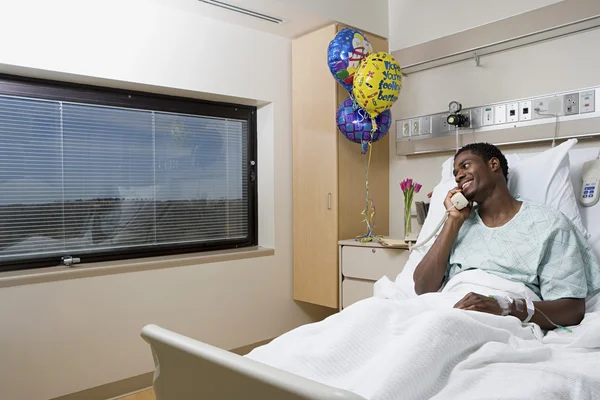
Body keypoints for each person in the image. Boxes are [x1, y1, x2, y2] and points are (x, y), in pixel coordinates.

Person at [413, 142, 600, 329]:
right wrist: (453, 220)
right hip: (447, 307)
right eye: (455, 174)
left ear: (493, 165)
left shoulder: (549, 224)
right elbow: (422, 288)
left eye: (465, 166)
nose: (459, 176)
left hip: (501, 320)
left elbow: (572, 309)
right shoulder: (457, 226)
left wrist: (505, 307)